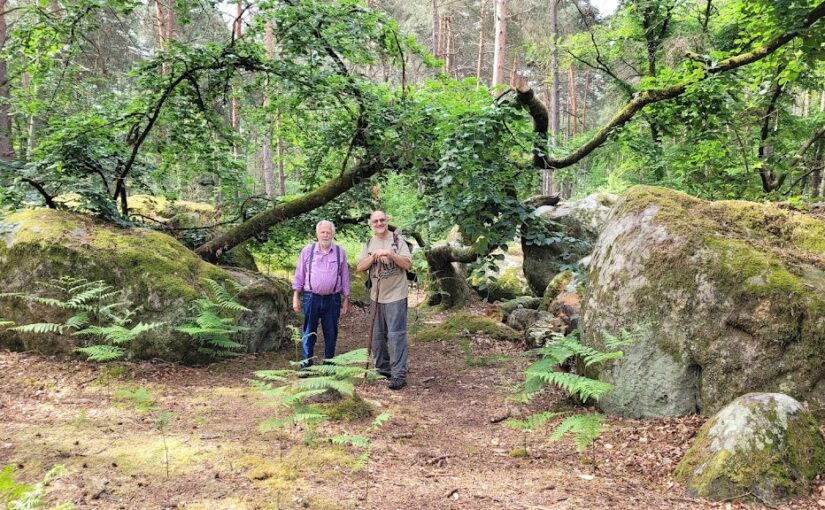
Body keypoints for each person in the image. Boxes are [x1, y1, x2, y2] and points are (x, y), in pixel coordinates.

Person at [356, 210, 412, 390]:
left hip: (397, 294)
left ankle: (398, 375)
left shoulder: (398, 240)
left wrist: (390, 254)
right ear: (371, 224)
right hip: (376, 296)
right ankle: (383, 369)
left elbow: (407, 264)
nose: (379, 223)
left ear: (387, 221)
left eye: (382, 220)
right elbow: (360, 267)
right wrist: (374, 256)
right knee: (377, 337)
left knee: (396, 336)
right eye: (375, 221)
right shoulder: (368, 243)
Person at [292, 220, 350, 369]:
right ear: (317, 234)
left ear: (333, 234)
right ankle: (306, 366)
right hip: (311, 298)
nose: (325, 235)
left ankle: (329, 365)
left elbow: (344, 277)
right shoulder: (307, 251)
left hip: (333, 299)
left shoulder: (340, 252)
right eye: (322, 232)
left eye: (328, 232)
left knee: (331, 334)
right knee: (309, 332)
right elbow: (299, 274)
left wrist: (346, 299)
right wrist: (296, 297)